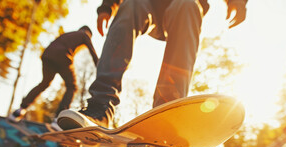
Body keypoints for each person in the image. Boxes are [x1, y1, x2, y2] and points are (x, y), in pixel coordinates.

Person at [54, 0, 248, 130]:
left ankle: (167, 113)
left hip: (184, 10)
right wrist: (107, 7)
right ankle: (101, 106)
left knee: (188, 5)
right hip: (147, 5)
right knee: (130, 4)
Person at [8, 26, 99, 126]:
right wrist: (100, 67)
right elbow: (92, 52)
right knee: (72, 86)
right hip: (63, 56)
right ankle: (59, 119)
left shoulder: (67, 34)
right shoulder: (84, 34)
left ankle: (20, 110)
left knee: (45, 83)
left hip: (48, 55)